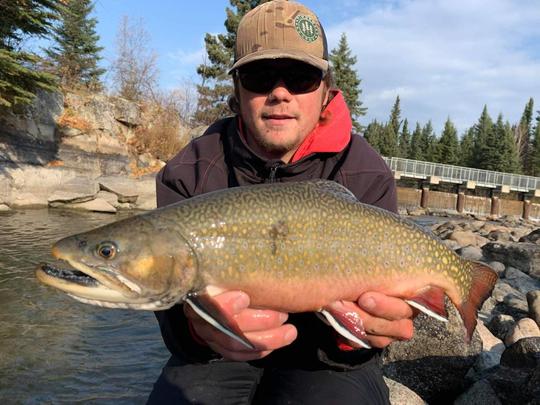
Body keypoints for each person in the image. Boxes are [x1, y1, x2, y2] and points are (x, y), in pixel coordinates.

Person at [147, 1, 414, 403]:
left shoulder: (366, 173)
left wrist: (363, 332)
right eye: (259, 77)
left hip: (325, 357)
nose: (279, 93)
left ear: (326, 90)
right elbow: (166, 304)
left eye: (301, 78)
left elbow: (373, 329)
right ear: (237, 90)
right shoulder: (189, 170)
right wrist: (197, 330)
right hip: (217, 355)